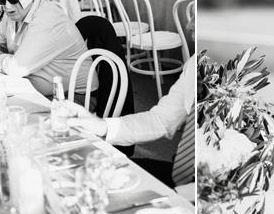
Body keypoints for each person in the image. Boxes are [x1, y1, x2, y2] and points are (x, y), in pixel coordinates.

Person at [69, 55, 195, 192]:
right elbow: (161, 120)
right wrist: (102, 126)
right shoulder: (198, 62)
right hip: (182, 172)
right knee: (93, 174)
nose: (190, 32)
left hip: (207, 191)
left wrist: (181, 197)